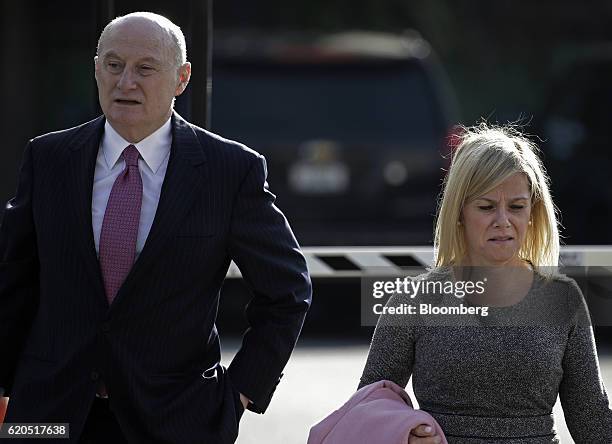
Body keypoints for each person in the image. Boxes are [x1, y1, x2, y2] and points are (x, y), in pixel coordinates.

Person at [0, 12, 311, 443]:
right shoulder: (49, 159)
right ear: (96, 69)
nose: (126, 81)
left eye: (145, 68)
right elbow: (12, 282)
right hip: (47, 418)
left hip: (176, 421)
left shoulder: (229, 171)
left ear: (182, 79)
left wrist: (238, 394)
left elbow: (287, 292)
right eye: (113, 65)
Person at [359, 123, 612, 443]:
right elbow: (368, 408)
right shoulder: (415, 299)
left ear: (532, 212)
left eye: (517, 207)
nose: (503, 221)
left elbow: (593, 420)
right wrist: (405, 433)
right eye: (486, 206)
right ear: (460, 211)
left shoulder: (562, 299)